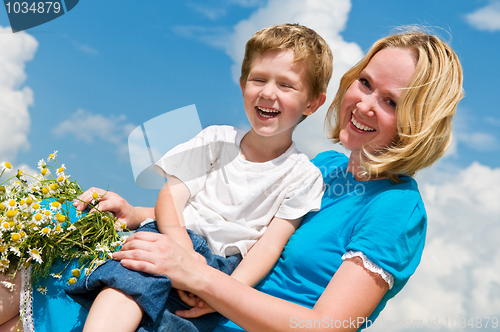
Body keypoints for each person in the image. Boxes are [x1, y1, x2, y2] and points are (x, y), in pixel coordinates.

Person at [0, 27, 464, 332]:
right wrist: (137, 214)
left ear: (419, 120)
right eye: (365, 84)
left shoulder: (397, 210)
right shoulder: (323, 167)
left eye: (392, 102)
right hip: (196, 295)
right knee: (49, 226)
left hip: (217, 316)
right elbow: (235, 225)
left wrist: (199, 277)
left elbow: (328, 327)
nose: (364, 105)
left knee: (52, 285)